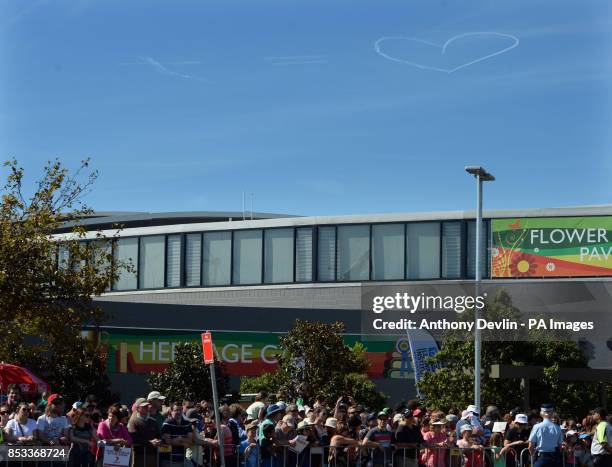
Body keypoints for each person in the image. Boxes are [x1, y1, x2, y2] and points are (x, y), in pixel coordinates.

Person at [128, 398, 162, 467]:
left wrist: (158, 441)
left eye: (147, 406)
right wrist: (150, 442)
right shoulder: (133, 421)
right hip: (139, 456)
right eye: (144, 406)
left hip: (153, 455)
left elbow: (158, 435)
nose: (146, 408)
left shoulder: (153, 421)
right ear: (138, 408)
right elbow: (134, 438)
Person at [161, 402, 194, 467]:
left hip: (183, 460)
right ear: (171, 411)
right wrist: (183, 443)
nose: (178, 412)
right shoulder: (167, 423)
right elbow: (168, 441)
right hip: (169, 460)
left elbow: (190, 440)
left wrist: (179, 439)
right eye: (176, 410)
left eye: (180, 410)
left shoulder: (187, 423)